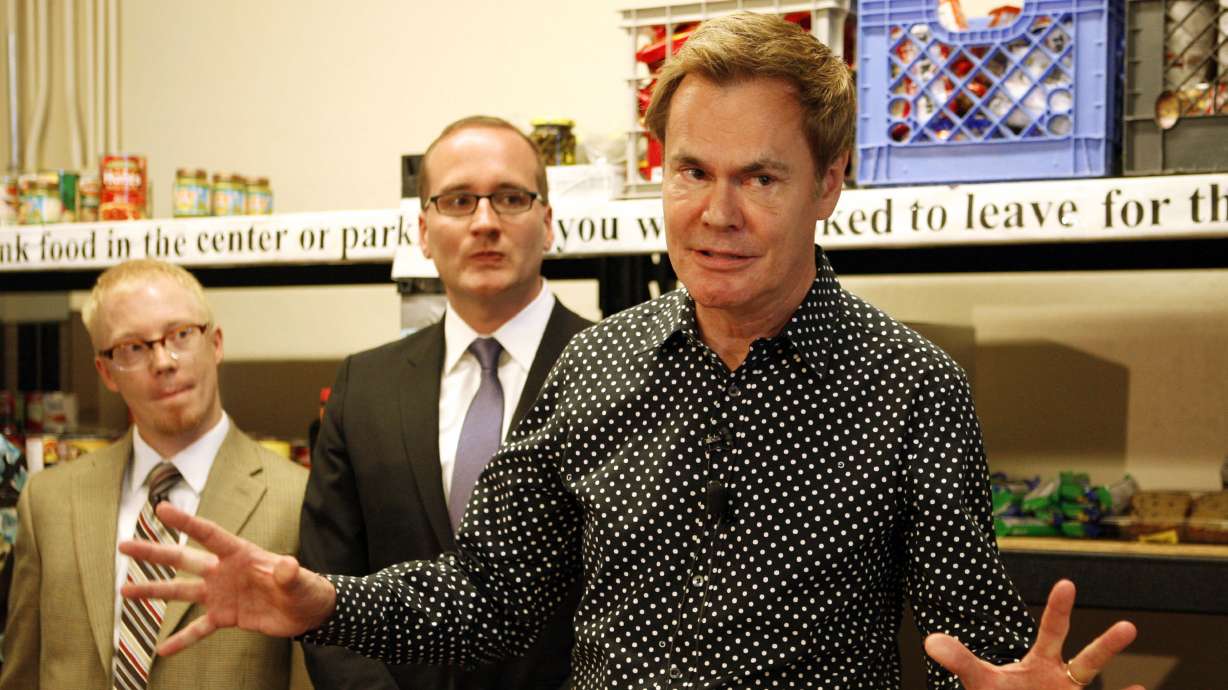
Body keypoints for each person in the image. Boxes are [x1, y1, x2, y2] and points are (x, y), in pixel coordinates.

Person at [119, 13, 1144, 690]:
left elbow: (971, 643)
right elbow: (490, 595)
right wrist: (324, 598)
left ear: (830, 184)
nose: (717, 214)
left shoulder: (909, 388)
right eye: (692, 171)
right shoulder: (598, 367)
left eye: (761, 178)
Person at [298, 115, 591, 689]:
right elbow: (325, 579)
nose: (485, 223)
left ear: (548, 222)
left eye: (510, 198)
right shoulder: (365, 387)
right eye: (458, 201)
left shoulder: (615, 374)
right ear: (424, 231)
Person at [0, 259, 310, 690]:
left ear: (215, 344)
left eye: (181, 335)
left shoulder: (298, 500)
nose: (163, 361)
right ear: (106, 372)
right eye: (133, 347)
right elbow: (22, 674)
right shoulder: (49, 502)